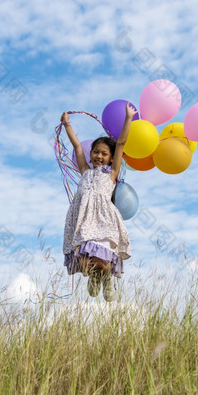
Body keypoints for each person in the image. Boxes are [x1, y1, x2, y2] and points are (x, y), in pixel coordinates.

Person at [61, 102, 137, 302]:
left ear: (112, 159)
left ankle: (107, 277)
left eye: (104, 154)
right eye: (96, 152)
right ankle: (95, 278)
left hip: (103, 221)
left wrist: (128, 118)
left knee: (102, 261)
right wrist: (67, 125)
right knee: (85, 263)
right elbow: (78, 146)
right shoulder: (85, 171)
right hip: (84, 221)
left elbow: (120, 144)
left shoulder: (111, 174)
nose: (99, 156)